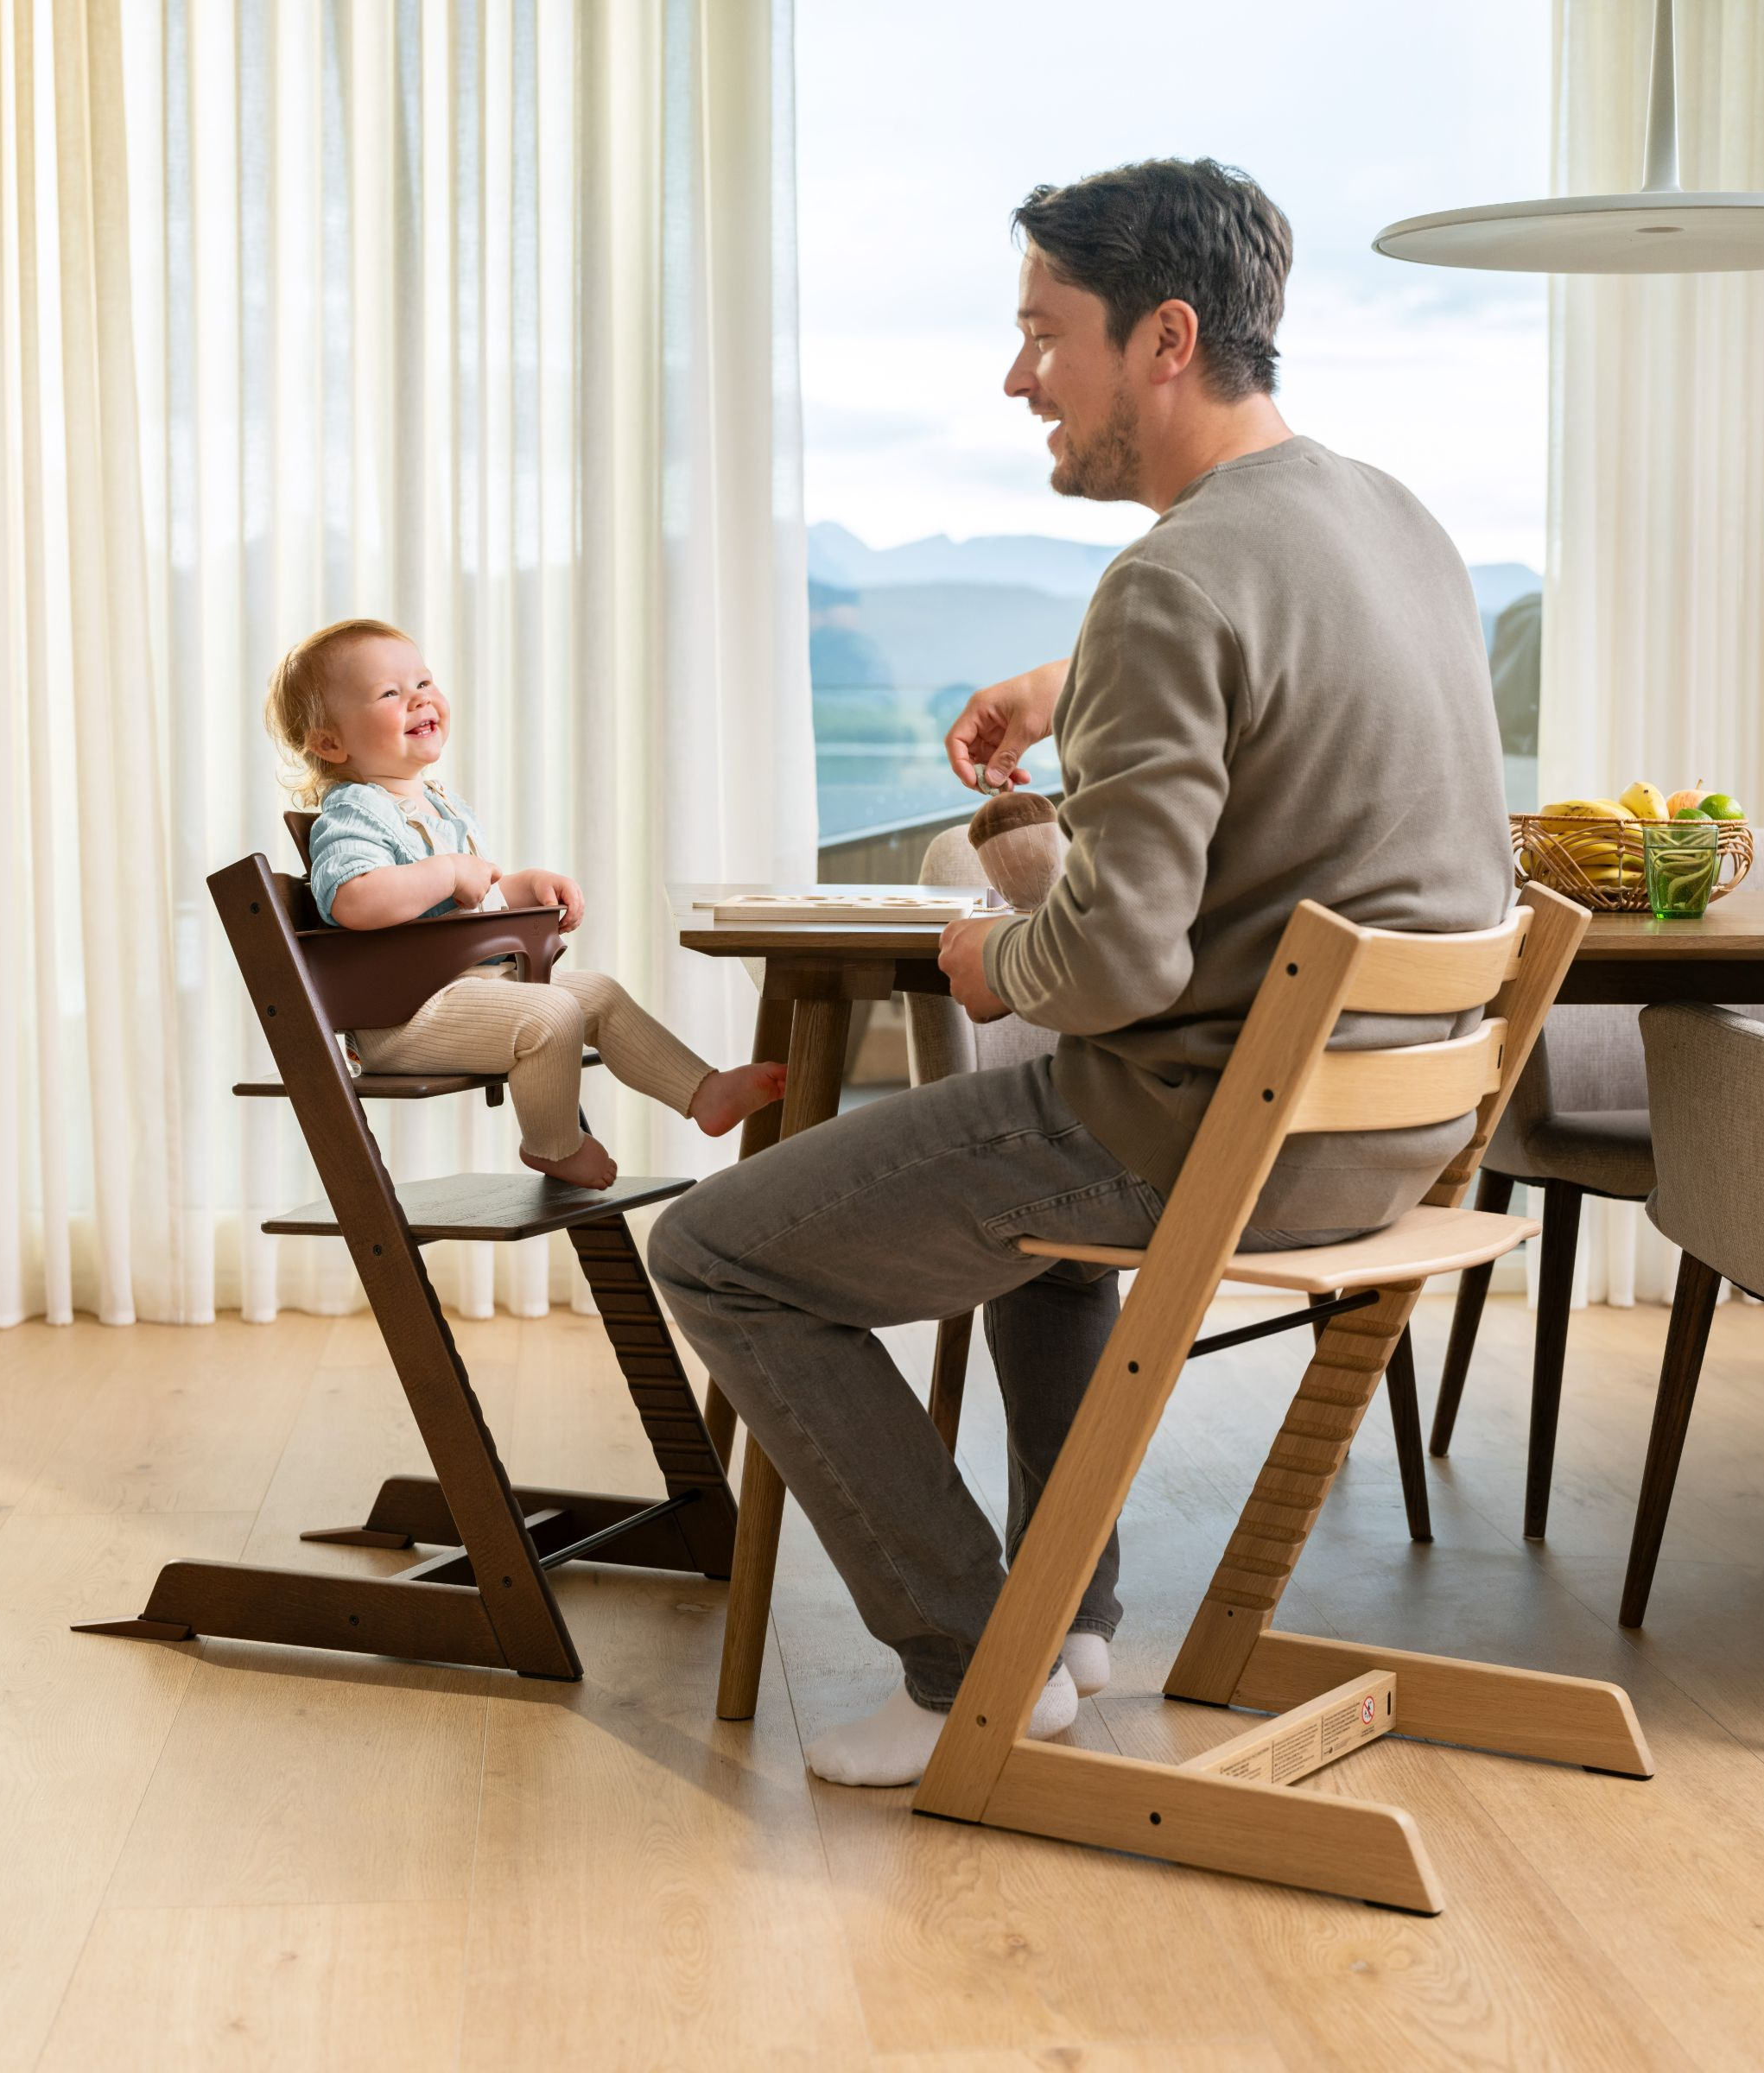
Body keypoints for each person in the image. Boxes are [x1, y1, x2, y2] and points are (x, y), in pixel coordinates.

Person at [650, 158, 1513, 1786]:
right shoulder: (1390, 519)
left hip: (1205, 1137)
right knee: (1042, 1242)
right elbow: (1279, 690)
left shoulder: (1170, 581)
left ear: (1164, 338)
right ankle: (1071, 1618)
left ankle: (971, 1657)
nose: (1017, 375)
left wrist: (985, 959)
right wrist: (1077, 683)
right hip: (1388, 1140)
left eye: (1047, 333)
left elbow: (1109, 966)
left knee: (718, 1253)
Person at [266, 617, 786, 1184]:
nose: (419, 699)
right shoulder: (354, 811)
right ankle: (554, 1147)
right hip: (404, 1018)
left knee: (598, 994)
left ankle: (702, 1092)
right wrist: (446, 872)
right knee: (552, 1012)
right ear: (330, 742)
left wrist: (523, 886)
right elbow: (352, 900)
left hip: (469, 991)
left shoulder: (443, 807)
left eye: (423, 682)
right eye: (390, 693)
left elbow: (470, 900)